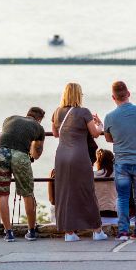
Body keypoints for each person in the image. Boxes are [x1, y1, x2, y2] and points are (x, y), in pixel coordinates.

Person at [52, 83, 107, 242]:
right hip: (79, 156)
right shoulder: (84, 112)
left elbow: (56, 134)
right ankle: (97, 231)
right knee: (86, 192)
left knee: (65, 193)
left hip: (61, 156)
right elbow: (95, 134)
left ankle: (69, 233)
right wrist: (100, 124)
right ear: (78, 95)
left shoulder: (57, 112)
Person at [102, 80, 136, 241]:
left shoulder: (109, 117)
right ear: (128, 94)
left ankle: (123, 232)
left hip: (122, 162)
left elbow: (109, 139)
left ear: (113, 97)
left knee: (122, 197)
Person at [0, 107, 46, 242]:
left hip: (0, 153)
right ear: (39, 119)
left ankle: (8, 233)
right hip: (20, 156)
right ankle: (31, 231)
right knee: (27, 193)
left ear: (27, 114)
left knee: (2, 193)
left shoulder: (10, 119)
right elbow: (36, 154)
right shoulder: (39, 128)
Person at [93, 148, 118, 218]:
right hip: (115, 212)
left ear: (98, 161)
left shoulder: (93, 175)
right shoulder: (118, 175)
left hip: (98, 213)